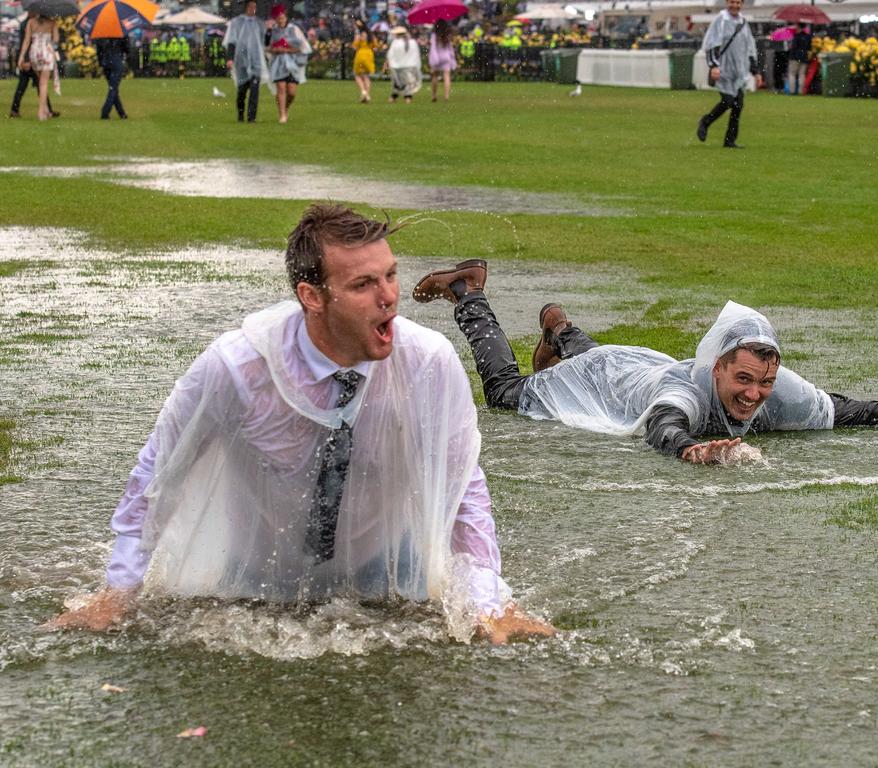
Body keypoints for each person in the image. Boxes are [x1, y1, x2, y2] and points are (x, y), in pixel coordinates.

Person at [47, 206, 555, 646]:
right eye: (363, 284)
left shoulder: (427, 362)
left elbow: (463, 485)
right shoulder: (236, 368)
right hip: (256, 574)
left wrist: (487, 603)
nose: (389, 298)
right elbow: (159, 476)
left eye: (391, 275)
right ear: (312, 296)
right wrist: (116, 595)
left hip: (387, 568)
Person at [412, 261, 878, 464]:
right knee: (507, 392)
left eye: (765, 383)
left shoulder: (780, 388)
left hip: (631, 364)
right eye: (743, 380)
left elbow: (854, 409)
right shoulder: (691, 397)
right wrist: (690, 449)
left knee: (605, 360)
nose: (754, 395)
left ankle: (562, 331)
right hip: (613, 377)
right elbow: (663, 427)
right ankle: (470, 292)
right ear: (717, 367)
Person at [696, 0, 761, 149]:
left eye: (738, 2)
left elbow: (750, 48)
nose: (735, 5)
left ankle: (729, 140)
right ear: (727, 2)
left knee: (738, 105)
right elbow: (711, 43)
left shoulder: (743, 23)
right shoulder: (721, 20)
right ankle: (705, 122)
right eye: (732, 2)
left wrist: (755, 71)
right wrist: (714, 65)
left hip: (739, 71)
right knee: (728, 101)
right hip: (723, 70)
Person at [266, 3, 311, 124]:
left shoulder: (294, 29)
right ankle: (282, 115)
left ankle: (285, 108)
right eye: (278, 18)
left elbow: (302, 46)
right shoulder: (272, 31)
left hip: (292, 64)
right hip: (278, 64)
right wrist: (275, 50)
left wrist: (287, 49)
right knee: (281, 88)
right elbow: (267, 46)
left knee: (291, 92)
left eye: (282, 18)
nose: (281, 20)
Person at [225, 0, 269, 122]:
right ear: (246, 7)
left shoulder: (259, 23)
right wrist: (230, 58)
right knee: (242, 91)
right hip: (241, 62)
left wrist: (269, 30)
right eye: (250, 6)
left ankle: (251, 117)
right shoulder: (237, 23)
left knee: (254, 90)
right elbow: (231, 41)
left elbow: (266, 41)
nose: (252, 9)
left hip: (256, 62)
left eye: (254, 6)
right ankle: (240, 114)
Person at [8, 11, 57, 119]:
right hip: (37, 56)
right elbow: (24, 42)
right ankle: (42, 111)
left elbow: (26, 42)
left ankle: (46, 109)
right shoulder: (49, 23)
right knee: (36, 84)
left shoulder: (30, 23)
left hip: (33, 55)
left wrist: (22, 57)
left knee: (39, 84)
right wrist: (24, 60)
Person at [95, 36, 129, 120]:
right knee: (113, 88)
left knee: (113, 88)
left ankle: (121, 113)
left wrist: (101, 63)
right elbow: (127, 48)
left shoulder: (101, 34)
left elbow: (98, 51)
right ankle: (105, 111)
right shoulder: (121, 33)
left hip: (106, 63)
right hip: (116, 63)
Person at [385, 26, 422, 103]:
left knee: (397, 82)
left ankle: (394, 97)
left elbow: (391, 55)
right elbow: (416, 54)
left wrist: (389, 63)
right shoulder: (412, 42)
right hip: (410, 66)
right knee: (408, 82)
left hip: (398, 66)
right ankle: (406, 98)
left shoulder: (396, 43)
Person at [428, 19, 456, 103]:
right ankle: (446, 96)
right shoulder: (447, 35)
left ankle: (434, 95)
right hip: (446, 57)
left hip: (437, 56)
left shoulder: (434, 35)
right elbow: (450, 48)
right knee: (447, 77)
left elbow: (433, 47)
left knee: (435, 76)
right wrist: (452, 57)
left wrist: (434, 58)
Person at [351, 18, 376, 104]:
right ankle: (367, 95)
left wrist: (356, 39)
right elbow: (375, 45)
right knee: (366, 76)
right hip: (369, 55)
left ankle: (363, 91)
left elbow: (354, 46)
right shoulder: (370, 34)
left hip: (361, 54)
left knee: (357, 75)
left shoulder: (359, 34)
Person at [786, 24, 811, 96]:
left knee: (792, 74)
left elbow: (793, 48)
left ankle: (792, 91)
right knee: (802, 75)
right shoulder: (808, 36)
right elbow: (809, 48)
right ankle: (800, 91)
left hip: (794, 58)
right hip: (804, 58)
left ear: (798, 27)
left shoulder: (796, 36)